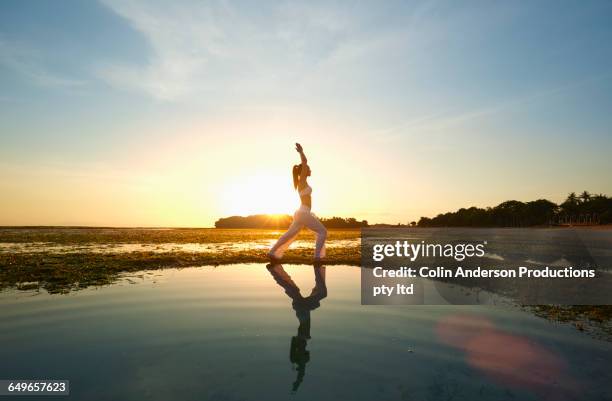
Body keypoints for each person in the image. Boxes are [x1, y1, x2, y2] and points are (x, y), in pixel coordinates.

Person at [266, 262, 327, 393]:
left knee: (313, 292)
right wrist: (298, 381)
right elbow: (301, 370)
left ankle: (275, 270)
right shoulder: (299, 349)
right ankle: (275, 269)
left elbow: (301, 371)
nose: (307, 354)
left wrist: (297, 383)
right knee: (298, 291)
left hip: (302, 311)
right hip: (302, 310)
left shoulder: (301, 343)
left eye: (304, 355)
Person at [268, 143, 327, 261]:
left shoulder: (302, 183)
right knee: (322, 232)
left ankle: (272, 252)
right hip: (303, 212)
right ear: (303, 172)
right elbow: (304, 162)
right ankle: (317, 258)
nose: (310, 170)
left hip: (301, 212)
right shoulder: (302, 181)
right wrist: (301, 152)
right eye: (308, 169)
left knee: (289, 234)